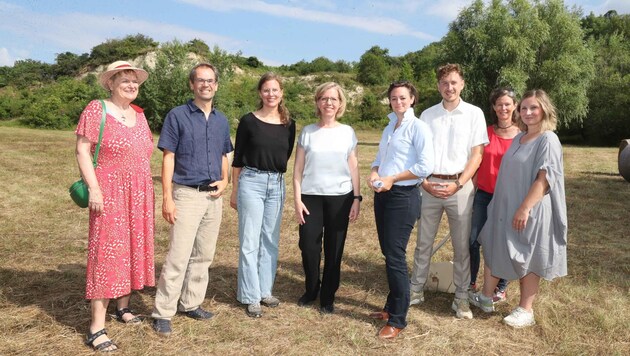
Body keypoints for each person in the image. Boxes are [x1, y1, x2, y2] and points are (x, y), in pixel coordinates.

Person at [469, 89, 567, 328]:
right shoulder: (519, 138)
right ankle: (485, 296)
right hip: (505, 205)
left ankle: (526, 309)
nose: (528, 112)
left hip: (530, 208)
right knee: (494, 244)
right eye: (524, 108)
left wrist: (524, 208)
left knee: (528, 255)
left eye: (533, 108)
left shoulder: (548, 139)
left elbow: (544, 179)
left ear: (544, 109)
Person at [75, 60, 154, 352]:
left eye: (135, 81)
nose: (131, 85)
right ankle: (97, 327)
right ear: (110, 83)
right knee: (107, 253)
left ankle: (123, 307)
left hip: (139, 193)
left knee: (132, 248)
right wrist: (94, 188)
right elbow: (82, 149)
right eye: (124, 80)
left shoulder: (139, 115)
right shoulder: (97, 108)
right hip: (109, 191)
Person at [152, 63, 233, 336]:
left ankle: (191, 302)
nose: (205, 85)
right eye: (200, 80)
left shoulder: (222, 120)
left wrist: (225, 180)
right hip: (186, 194)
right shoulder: (177, 116)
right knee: (178, 256)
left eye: (210, 81)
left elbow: (225, 154)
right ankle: (163, 312)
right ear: (191, 84)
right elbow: (168, 157)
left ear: (216, 85)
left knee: (203, 256)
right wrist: (167, 198)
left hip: (213, 197)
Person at [409, 63, 488, 320]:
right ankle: (416, 289)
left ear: (462, 84)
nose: (449, 87)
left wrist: (459, 184)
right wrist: (424, 182)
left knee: (461, 246)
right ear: (438, 86)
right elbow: (417, 153)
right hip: (429, 185)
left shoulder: (475, 114)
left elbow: (477, 155)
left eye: (454, 82)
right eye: (444, 83)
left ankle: (461, 298)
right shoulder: (427, 115)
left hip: (460, 187)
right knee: (423, 242)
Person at [367, 81, 434, 339]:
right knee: (388, 252)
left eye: (403, 97)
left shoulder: (419, 128)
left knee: (395, 255)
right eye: (394, 98)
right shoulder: (389, 127)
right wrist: (374, 173)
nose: (398, 102)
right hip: (383, 195)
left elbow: (425, 165)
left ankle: (398, 320)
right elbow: (379, 160)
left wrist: (393, 179)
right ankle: (390, 306)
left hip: (403, 197)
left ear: (412, 99)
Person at [230, 72, 296, 318]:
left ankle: (265, 290)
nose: (271, 94)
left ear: (281, 93)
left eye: (275, 90)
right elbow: (238, 159)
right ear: (260, 93)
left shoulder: (289, 123)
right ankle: (250, 295)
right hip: (251, 183)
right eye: (266, 90)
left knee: (270, 239)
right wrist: (235, 190)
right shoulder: (248, 121)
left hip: (276, 184)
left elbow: (285, 155)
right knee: (250, 240)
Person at [293, 82, 360, 314]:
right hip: (310, 197)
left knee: (334, 248)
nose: (328, 102)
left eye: (333, 99)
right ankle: (312, 289)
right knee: (308, 246)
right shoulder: (307, 132)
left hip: (340, 198)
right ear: (317, 103)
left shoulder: (347, 132)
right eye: (324, 98)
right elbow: (298, 169)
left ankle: (328, 296)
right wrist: (297, 199)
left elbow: (354, 167)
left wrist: (357, 198)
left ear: (340, 103)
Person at [469, 88, 521, 302]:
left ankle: (500, 286)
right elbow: (476, 160)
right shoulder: (486, 133)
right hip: (483, 195)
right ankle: (470, 282)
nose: (503, 108)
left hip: (509, 198)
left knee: (503, 243)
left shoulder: (522, 136)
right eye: (499, 104)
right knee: (473, 240)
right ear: (493, 107)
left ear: (515, 106)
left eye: (507, 104)